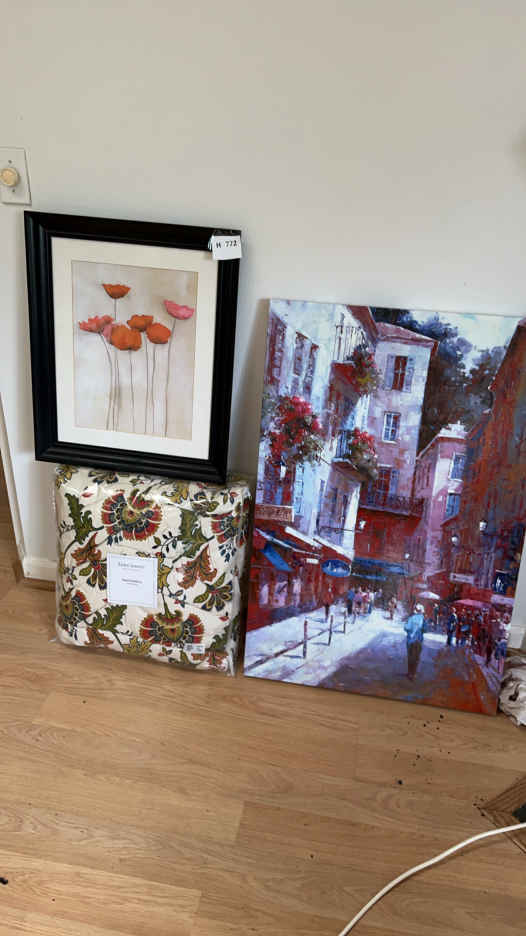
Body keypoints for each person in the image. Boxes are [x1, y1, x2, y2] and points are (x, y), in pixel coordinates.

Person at [404, 603, 427, 681]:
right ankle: (413, 674)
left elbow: (406, 628)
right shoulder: (423, 619)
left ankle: (409, 673)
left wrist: (410, 629)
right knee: (416, 658)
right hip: (419, 641)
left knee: (410, 657)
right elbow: (425, 630)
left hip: (410, 641)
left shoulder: (411, 618)